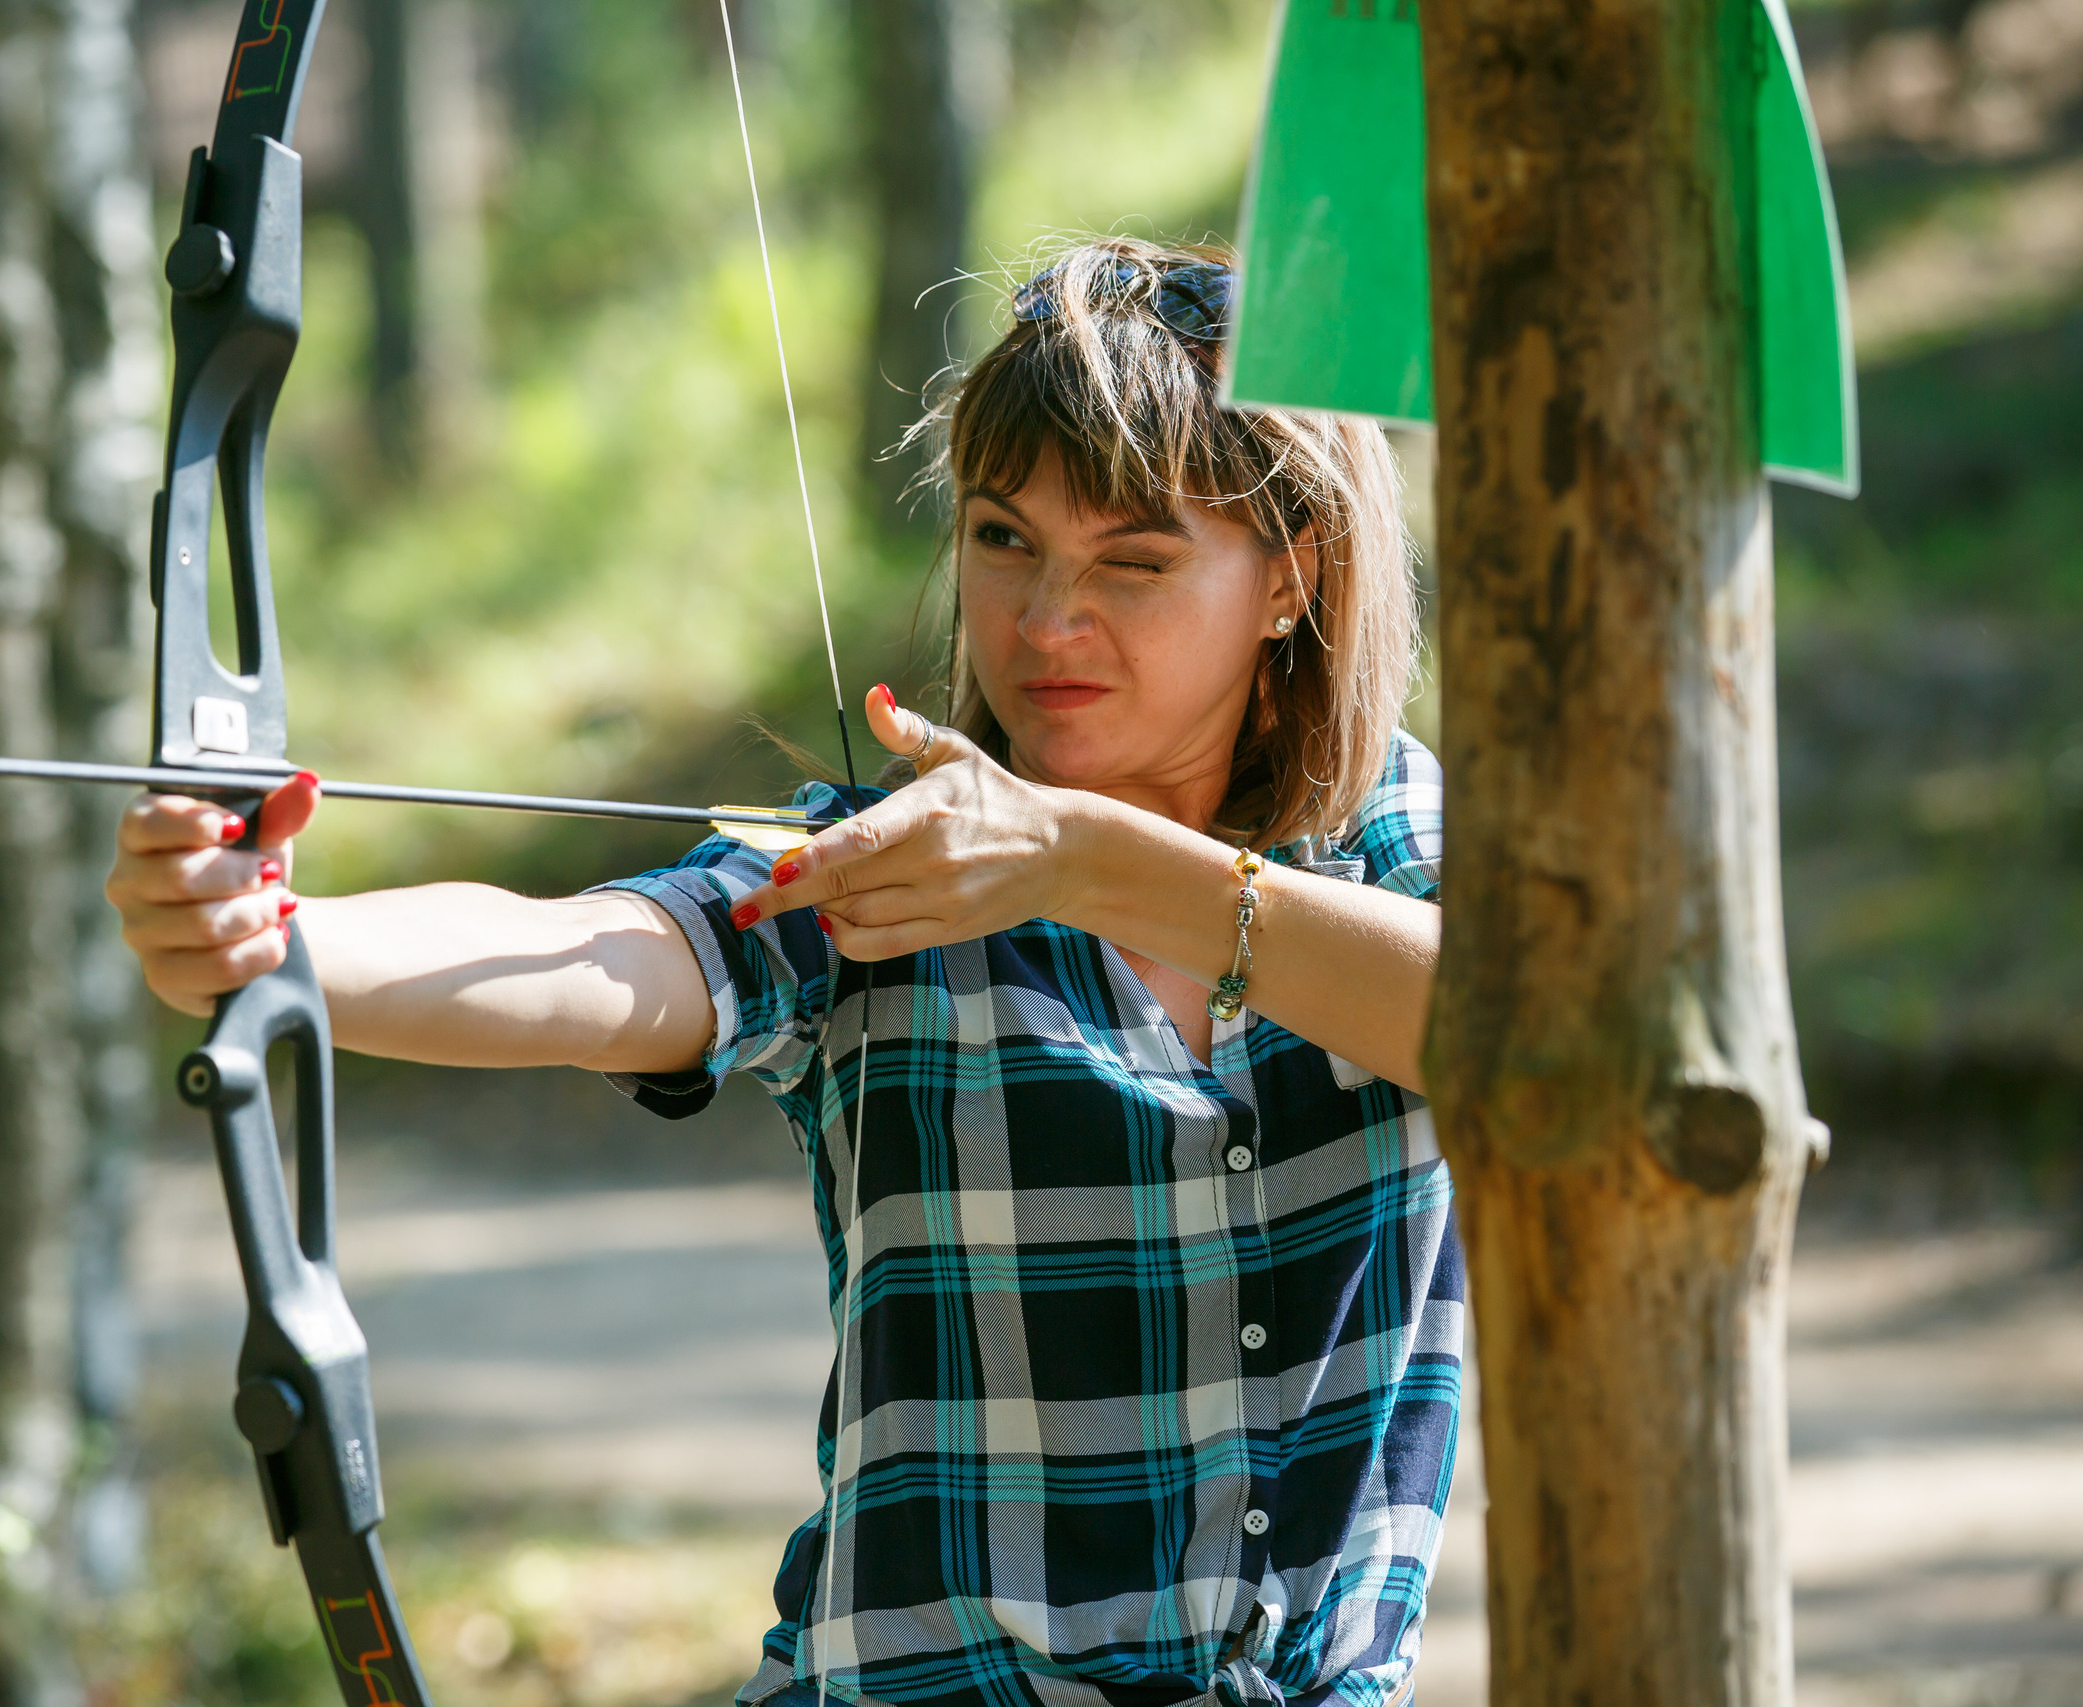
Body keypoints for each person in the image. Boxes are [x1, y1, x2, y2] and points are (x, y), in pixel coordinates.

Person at [108, 237, 1457, 1707]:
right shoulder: (893, 869)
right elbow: (612, 956)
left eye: (1132, 562)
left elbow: (1505, 1026)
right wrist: (284, 943)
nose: (1046, 623)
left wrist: (1079, 857)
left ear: (1289, 581)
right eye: (1004, 540)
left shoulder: (1394, 845)